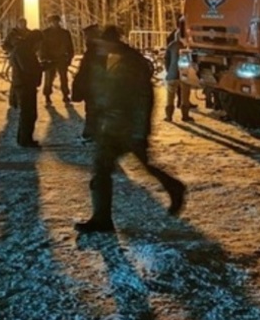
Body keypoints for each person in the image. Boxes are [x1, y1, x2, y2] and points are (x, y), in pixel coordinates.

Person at [75, 25, 186, 234]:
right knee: (101, 170)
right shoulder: (107, 58)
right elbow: (101, 91)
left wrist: (139, 130)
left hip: (127, 127)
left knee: (143, 164)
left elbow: (143, 98)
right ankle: (101, 219)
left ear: (112, 42)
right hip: (111, 127)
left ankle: (174, 186)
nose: (98, 47)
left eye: (102, 43)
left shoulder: (132, 62)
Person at [10, 29, 43, 148]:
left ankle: (24, 139)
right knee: (28, 114)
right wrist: (41, 67)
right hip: (24, 85)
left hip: (24, 85)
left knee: (28, 114)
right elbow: (28, 68)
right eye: (39, 43)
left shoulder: (24, 49)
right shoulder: (23, 50)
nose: (39, 46)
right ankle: (25, 140)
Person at [71, 24, 102, 142]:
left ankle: (90, 134)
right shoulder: (98, 49)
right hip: (96, 85)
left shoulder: (94, 51)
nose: (85, 39)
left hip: (94, 85)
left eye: (86, 36)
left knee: (92, 111)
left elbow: (87, 70)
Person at [39, 14, 75, 105]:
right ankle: (47, 96)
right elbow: (42, 47)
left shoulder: (65, 33)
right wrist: (43, 58)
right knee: (48, 79)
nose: (55, 23)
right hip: (50, 59)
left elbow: (70, 46)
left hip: (62, 58)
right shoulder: (45, 33)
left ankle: (66, 95)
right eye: (53, 22)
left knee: (64, 78)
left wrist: (69, 57)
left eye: (56, 21)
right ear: (50, 23)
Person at [163, 22, 192, 123]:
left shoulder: (171, 45)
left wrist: (169, 70)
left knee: (170, 96)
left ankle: (169, 116)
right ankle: (185, 116)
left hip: (172, 74)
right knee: (185, 96)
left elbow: (166, 59)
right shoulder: (188, 46)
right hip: (185, 74)